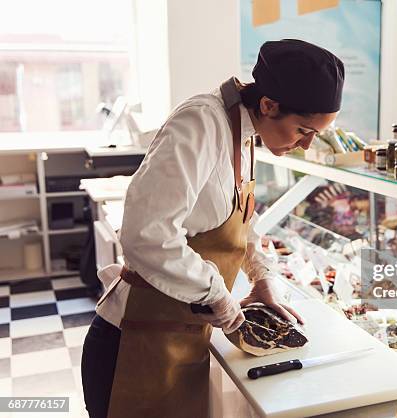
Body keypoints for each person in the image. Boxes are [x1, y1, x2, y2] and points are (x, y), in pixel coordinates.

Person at [81, 39, 345, 418]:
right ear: (269, 105)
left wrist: (262, 276)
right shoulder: (201, 123)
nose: (305, 145)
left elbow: (240, 217)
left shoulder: (248, 129)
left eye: (316, 135)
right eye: (303, 130)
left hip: (180, 338)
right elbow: (146, 236)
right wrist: (217, 295)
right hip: (133, 344)